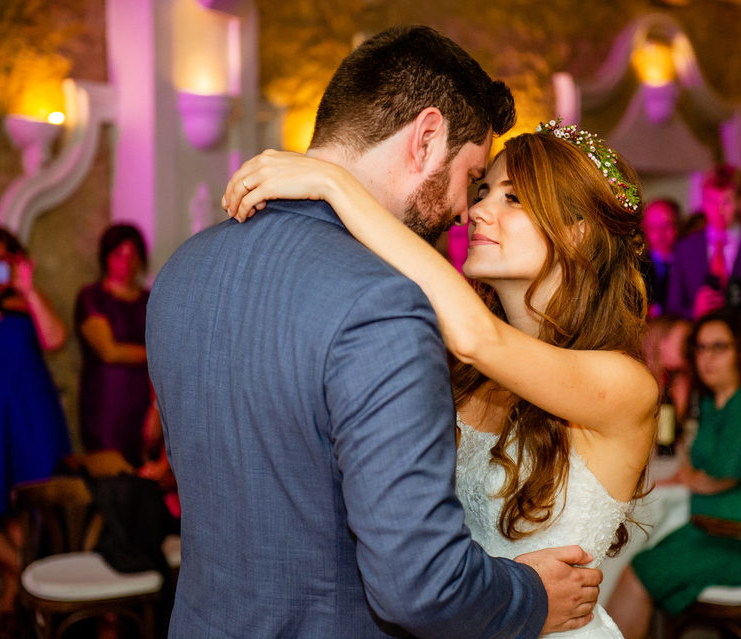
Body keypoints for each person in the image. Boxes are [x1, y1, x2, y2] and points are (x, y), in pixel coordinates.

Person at [147, 27, 605, 638]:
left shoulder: (183, 269)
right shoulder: (382, 304)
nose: (463, 213)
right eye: (471, 180)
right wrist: (531, 596)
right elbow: (421, 587)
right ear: (426, 137)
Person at [224, 116, 658, 636]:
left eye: (512, 198)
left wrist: (333, 182)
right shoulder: (469, 373)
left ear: (577, 229)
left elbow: (478, 337)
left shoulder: (626, 385)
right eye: (483, 191)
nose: (476, 211)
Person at [605, 310, 741, 639]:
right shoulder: (712, 404)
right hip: (711, 533)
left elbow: (724, 474)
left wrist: (690, 478)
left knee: (640, 570)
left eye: (719, 347)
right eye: (701, 348)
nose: (707, 357)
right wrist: (690, 476)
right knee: (640, 561)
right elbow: (694, 466)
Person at [0, 225, 71, 627]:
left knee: (24, 512)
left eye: (2, 261)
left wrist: (30, 289)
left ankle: (17, 604)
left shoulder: (27, 302)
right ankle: (21, 571)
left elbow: (55, 339)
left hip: (30, 418)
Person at [665, 165, 741, 365]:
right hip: (697, 357)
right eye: (712, 201)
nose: (719, 210)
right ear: (703, 202)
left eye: (727, 201)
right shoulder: (686, 248)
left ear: (740, 202)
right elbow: (673, 308)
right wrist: (694, 312)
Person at [75, 223, 155, 467]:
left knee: (142, 473)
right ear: (105, 257)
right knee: (109, 471)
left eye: (133, 256)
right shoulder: (92, 297)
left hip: (143, 398)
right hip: (106, 401)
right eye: (119, 255)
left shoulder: (149, 299)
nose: (126, 263)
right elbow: (109, 351)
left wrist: (156, 407)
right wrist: (154, 354)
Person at [641, 199, 680, 318]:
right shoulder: (636, 264)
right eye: (653, 227)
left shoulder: (690, 261)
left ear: (678, 225)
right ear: (645, 229)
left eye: (666, 225)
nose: (660, 234)